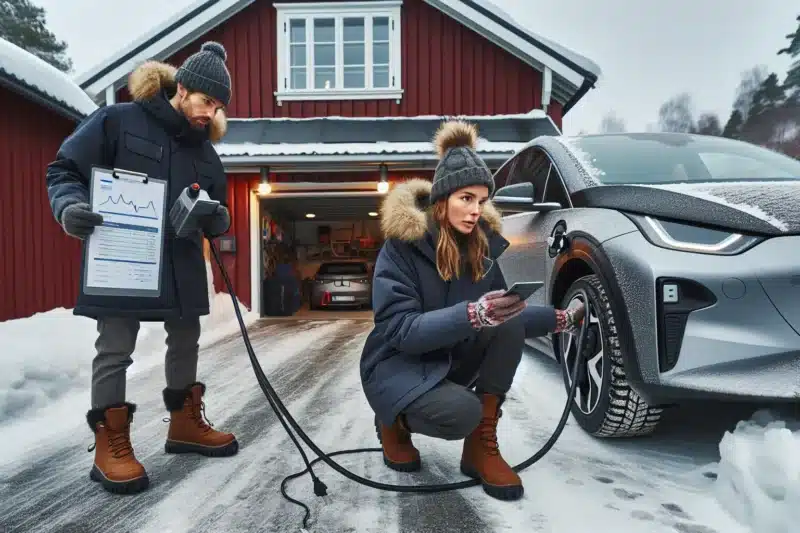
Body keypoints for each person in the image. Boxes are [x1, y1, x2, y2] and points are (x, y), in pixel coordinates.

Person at [45, 41, 238, 495]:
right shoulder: (117, 121)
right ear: (184, 87)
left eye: (219, 106)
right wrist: (69, 207)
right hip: (123, 258)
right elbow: (63, 170)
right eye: (206, 101)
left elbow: (219, 207)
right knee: (115, 348)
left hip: (182, 262)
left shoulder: (206, 153)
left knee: (186, 339)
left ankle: (184, 425)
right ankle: (110, 443)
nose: (211, 114)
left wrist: (219, 217)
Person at [360, 119, 585, 501]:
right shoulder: (401, 249)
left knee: (508, 322)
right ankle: (392, 422)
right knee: (462, 412)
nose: (475, 210)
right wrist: (472, 315)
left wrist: (558, 320)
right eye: (466, 198)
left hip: (445, 361)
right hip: (396, 367)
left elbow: (500, 317)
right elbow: (400, 330)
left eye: (481, 201)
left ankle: (480, 448)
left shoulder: (480, 252)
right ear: (442, 199)